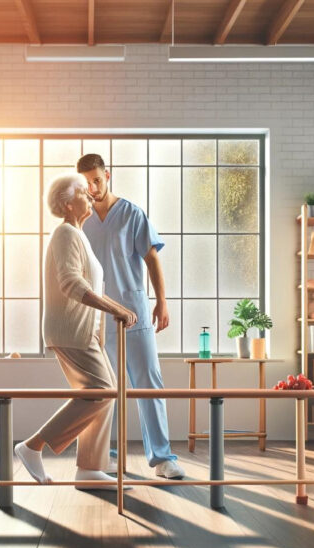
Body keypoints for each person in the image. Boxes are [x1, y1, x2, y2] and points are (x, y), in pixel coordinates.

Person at [14, 174, 138, 490]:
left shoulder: (78, 235)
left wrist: (117, 310)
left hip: (85, 334)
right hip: (69, 332)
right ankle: (33, 446)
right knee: (102, 391)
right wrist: (115, 309)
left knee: (105, 394)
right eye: (83, 191)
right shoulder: (66, 234)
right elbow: (71, 284)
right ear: (69, 204)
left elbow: (90, 285)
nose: (91, 193)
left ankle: (89, 469)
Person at [77, 154, 186, 480]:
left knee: (148, 384)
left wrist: (161, 302)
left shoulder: (131, 214)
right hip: (96, 320)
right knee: (101, 391)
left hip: (135, 314)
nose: (93, 188)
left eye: (97, 179)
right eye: (86, 183)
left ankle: (163, 458)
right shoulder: (80, 221)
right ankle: (104, 456)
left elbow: (151, 259)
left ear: (107, 175)